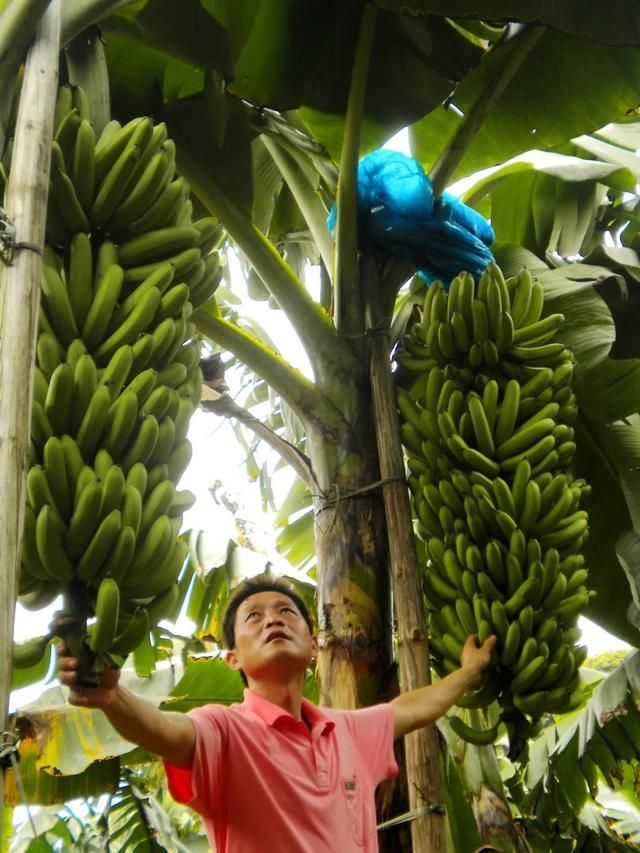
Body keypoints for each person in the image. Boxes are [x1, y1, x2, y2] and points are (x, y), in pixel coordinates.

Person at [57, 574, 495, 852]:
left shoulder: (344, 730)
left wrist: (469, 673)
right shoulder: (225, 730)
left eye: (287, 612)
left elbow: (409, 709)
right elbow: (166, 732)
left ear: (314, 646)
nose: (273, 621)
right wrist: (113, 697)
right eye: (254, 617)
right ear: (233, 659)